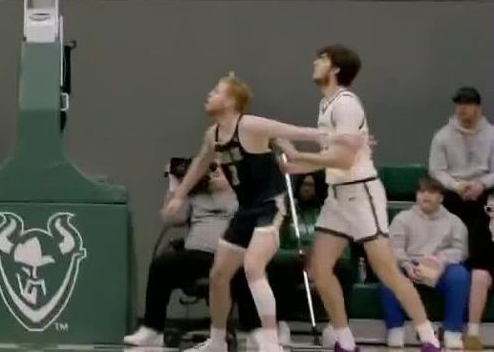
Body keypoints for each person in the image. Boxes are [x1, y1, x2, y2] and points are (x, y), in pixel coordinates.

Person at [164, 74, 363, 352]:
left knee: (253, 266)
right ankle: (217, 341)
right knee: (219, 274)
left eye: (216, 91)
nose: (209, 95)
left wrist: (342, 138)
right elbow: (200, 163)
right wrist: (179, 195)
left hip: (271, 204)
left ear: (231, 101)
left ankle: (270, 341)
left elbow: (295, 131)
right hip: (246, 210)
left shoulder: (248, 125)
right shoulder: (213, 135)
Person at [280, 45, 442, 352]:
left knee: (387, 271)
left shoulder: (346, 104)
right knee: (319, 268)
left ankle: (429, 338)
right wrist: (296, 165)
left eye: (322, 59)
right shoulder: (326, 104)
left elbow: (343, 160)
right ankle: (345, 340)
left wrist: (299, 155)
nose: (315, 62)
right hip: (337, 196)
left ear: (336, 68)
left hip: (361, 193)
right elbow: (332, 157)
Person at [125, 162, 242, 346]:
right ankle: (153, 330)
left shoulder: (240, 198)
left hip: (227, 258)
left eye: (218, 169)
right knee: (161, 265)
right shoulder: (196, 198)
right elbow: (170, 218)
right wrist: (174, 186)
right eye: (209, 171)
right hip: (195, 257)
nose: (213, 173)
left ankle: (258, 332)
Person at [429, 86, 494, 349]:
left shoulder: (491, 135)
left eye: (467, 105)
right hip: (454, 197)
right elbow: (436, 170)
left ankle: (472, 330)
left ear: (478, 107)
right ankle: (450, 324)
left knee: (480, 260)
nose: (462, 109)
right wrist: (456, 185)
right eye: (459, 105)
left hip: (484, 198)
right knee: (454, 256)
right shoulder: (443, 136)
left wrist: (481, 184)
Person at [382, 177, 469, 349]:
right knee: (388, 273)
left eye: (431, 192)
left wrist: (440, 262)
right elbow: (394, 249)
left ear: (441, 198)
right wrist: (407, 265)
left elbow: (461, 251)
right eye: (422, 191)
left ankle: (452, 331)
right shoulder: (402, 219)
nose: (426, 195)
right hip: (410, 267)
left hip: (441, 269)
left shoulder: (454, 221)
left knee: (460, 275)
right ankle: (395, 329)